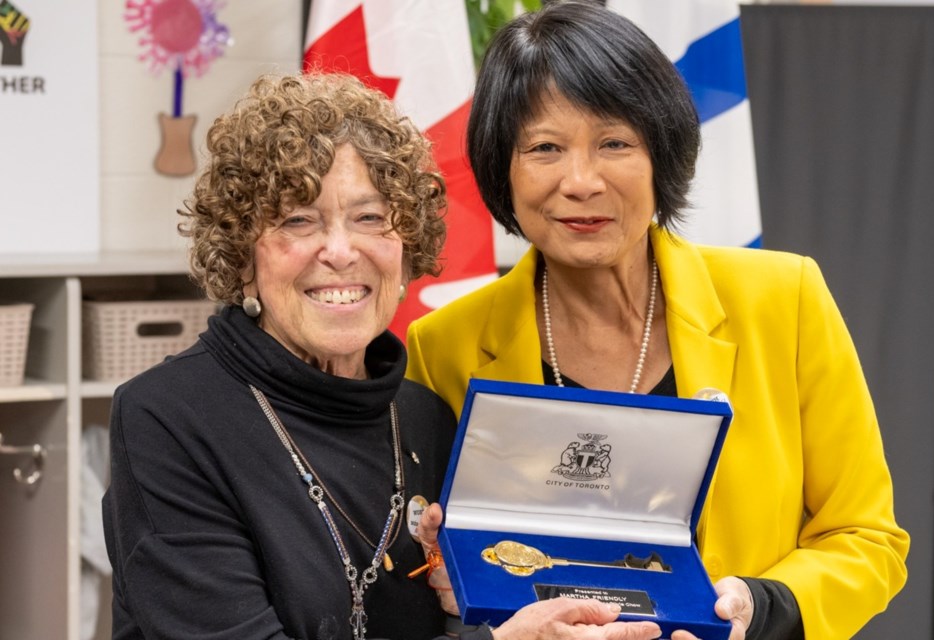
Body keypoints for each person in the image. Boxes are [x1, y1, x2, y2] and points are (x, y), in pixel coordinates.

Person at [406, 2, 910, 639]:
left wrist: (765, 606)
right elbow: (441, 562)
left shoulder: (785, 299)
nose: (580, 181)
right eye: (544, 148)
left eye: (614, 143)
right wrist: (446, 573)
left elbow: (866, 537)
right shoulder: (442, 346)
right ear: (500, 169)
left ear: (662, 153)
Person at [102, 72, 665, 640]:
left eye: (370, 218)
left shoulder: (428, 417)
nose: (342, 252)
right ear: (241, 253)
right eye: (298, 220)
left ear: (405, 247)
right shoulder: (166, 418)